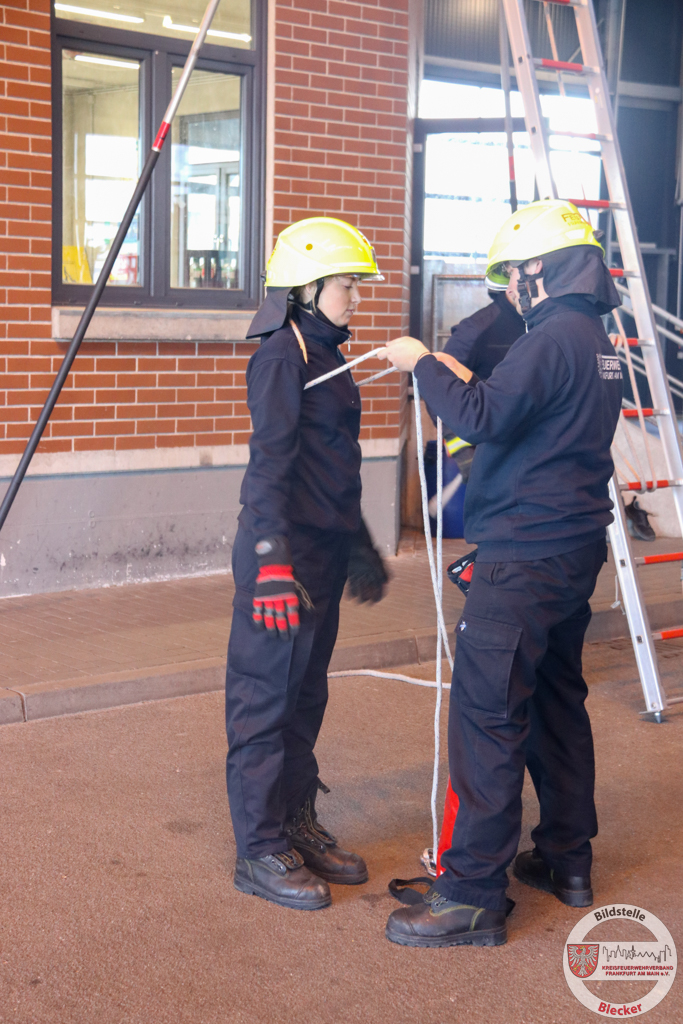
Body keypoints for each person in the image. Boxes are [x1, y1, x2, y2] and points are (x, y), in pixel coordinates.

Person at [382, 199, 623, 947]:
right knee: (555, 703)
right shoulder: (596, 341)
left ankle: (469, 896)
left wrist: (422, 363)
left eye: (514, 274)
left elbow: (480, 418)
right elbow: (518, 419)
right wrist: (462, 383)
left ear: (538, 270)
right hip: (573, 551)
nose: (511, 287)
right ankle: (566, 860)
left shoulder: (548, 339)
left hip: (521, 560)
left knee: (486, 719)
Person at [226, 216, 389, 912]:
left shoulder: (327, 356)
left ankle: (295, 822)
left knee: (304, 699)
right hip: (281, 562)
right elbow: (268, 468)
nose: (356, 295)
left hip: (321, 556)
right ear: (306, 288)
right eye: (347, 283)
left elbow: (332, 469)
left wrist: (358, 544)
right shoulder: (281, 358)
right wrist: (270, 561)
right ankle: (259, 849)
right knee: (264, 701)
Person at [440, 282, 526, 475]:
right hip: (489, 460)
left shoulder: (543, 326)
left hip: (530, 457)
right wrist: (465, 454)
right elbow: (441, 385)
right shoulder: (475, 329)